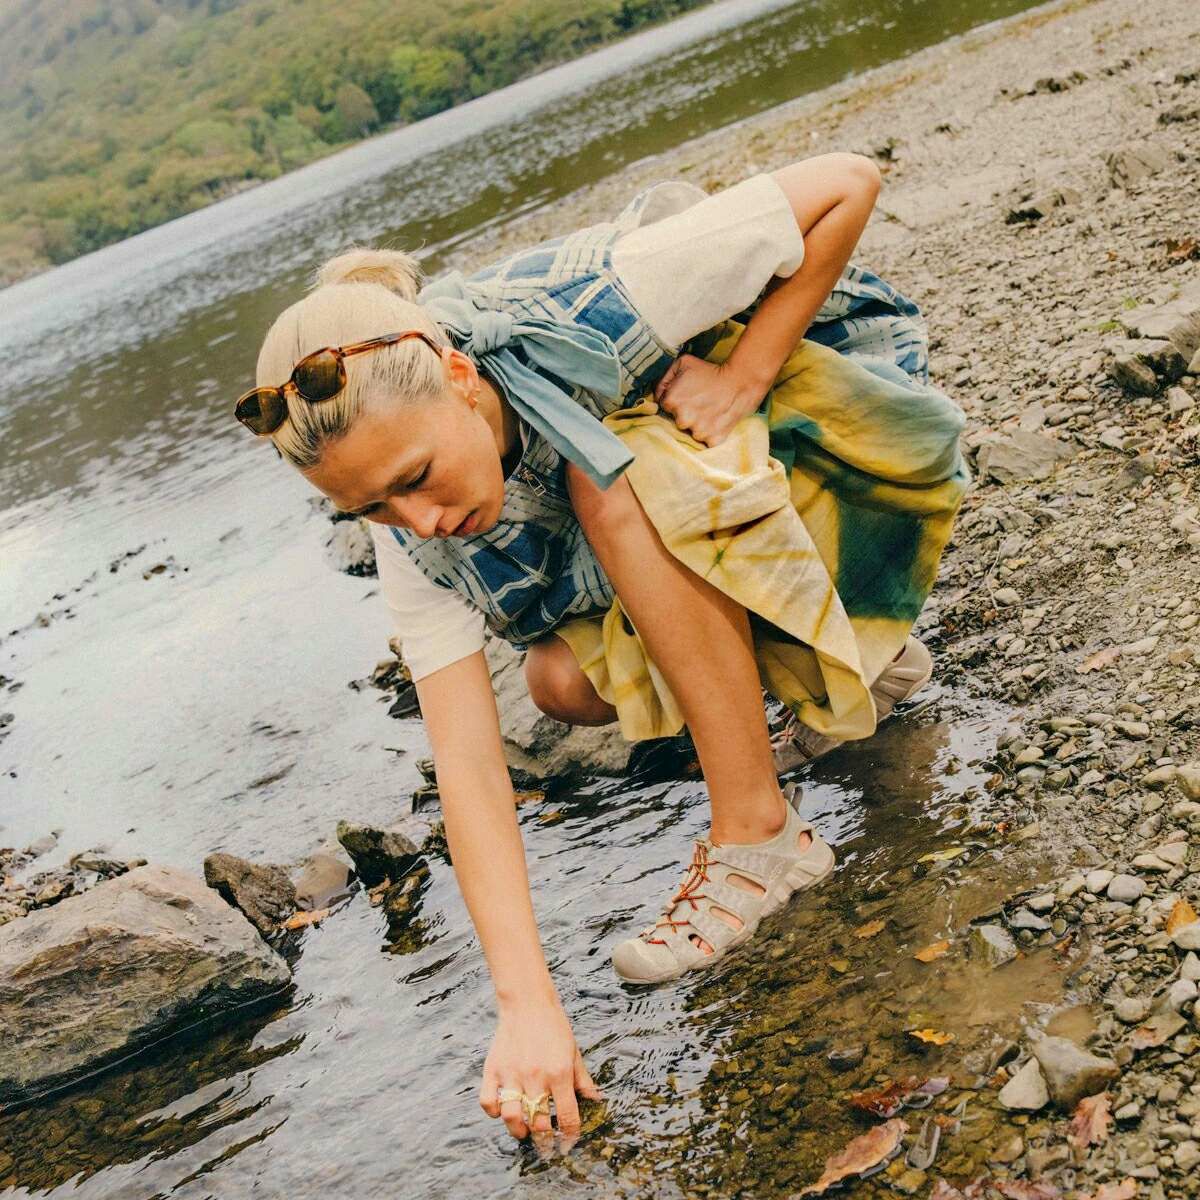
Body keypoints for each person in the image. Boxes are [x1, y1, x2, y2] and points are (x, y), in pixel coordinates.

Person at [235, 153, 967, 1144]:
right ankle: (857, 665)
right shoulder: (412, 538)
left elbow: (847, 181)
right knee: (559, 682)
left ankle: (760, 838)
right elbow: (468, 766)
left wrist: (743, 374)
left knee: (609, 480)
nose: (419, 520)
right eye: (371, 509)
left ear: (459, 378)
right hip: (743, 521)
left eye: (414, 476)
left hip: (844, 448)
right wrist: (527, 1007)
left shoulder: (609, 291)